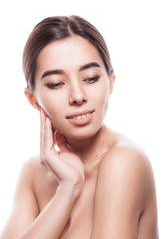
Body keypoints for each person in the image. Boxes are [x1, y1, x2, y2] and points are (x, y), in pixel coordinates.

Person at [0, 15, 159, 239]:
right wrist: (68, 188)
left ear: (111, 81)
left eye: (91, 78)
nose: (77, 96)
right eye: (56, 84)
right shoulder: (33, 173)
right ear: (33, 98)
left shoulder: (124, 161)